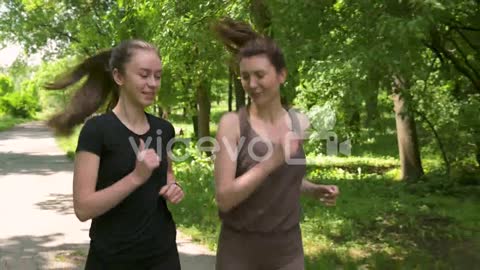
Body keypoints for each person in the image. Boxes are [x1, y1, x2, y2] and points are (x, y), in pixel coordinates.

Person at [212, 19, 340, 270]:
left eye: (260, 75)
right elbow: (224, 198)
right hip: (240, 253)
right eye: (245, 77)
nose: (252, 84)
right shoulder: (232, 125)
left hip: (288, 251)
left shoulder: (298, 122)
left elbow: (282, 178)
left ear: (282, 75)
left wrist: (313, 189)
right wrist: (271, 160)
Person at [46, 39, 184, 269]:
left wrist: (173, 187)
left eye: (157, 76)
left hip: (163, 256)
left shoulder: (164, 129)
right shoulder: (97, 130)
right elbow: (83, 208)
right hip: (112, 258)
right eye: (144, 75)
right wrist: (135, 178)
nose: (152, 83)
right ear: (119, 77)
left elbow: (167, 173)